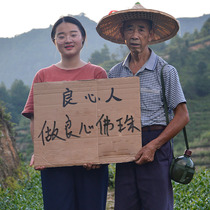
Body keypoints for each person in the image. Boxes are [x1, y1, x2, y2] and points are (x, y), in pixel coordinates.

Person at [96, 2, 189, 210]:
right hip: (125, 145)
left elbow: (182, 116)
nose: (135, 35)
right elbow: (109, 116)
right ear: (122, 34)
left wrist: (153, 145)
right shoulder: (115, 73)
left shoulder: (165, 71)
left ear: (151, 34)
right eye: (129, 29)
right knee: (125, 205)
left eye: (141, 29)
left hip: (156, 143)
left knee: (157, 205)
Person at [22, 16, 108, 210]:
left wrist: (99, 154)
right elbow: (36, 117)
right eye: (61, 36)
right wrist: (40, 150)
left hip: (91, 162)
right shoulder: (43, 76)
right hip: (55, 161)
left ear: (83, 38)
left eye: (73, 34)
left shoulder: (98, 74)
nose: (67, 40)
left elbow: (106, 117)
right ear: (55, 41)